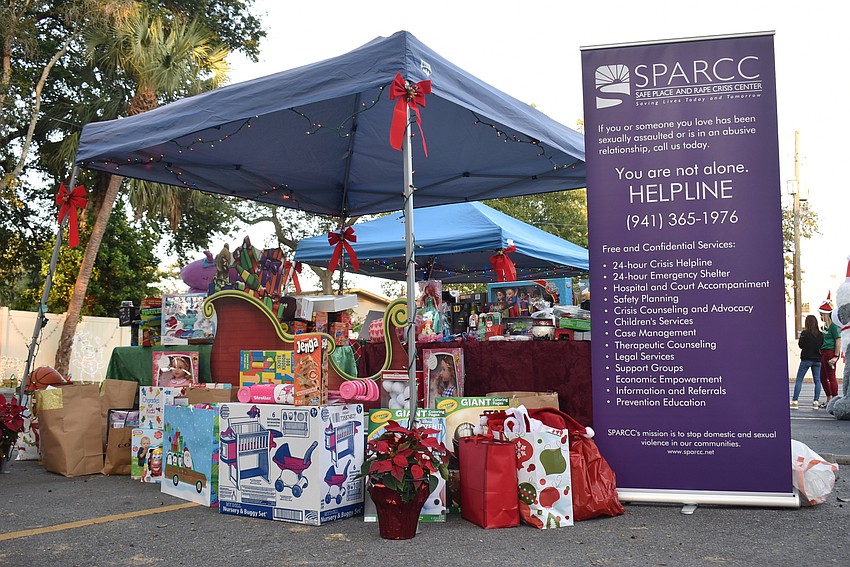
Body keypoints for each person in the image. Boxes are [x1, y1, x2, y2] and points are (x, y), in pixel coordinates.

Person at [791, 315, 823, 408]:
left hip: (806, 359)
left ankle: (795, 400)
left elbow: (801, 345)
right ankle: (816, 401)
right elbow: (821, 345)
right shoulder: (821, 334)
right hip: (817, 359)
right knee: (817, 380)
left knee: (799, 379)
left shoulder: (805, 333)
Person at [818, 296, 842, 406]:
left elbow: (838, 341)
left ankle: (835, 399)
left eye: (821, 315)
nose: (820, 317)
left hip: (830, 352)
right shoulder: (825, 327)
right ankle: (829, 397)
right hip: (823, 352)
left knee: (831, 376)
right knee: (822, 376)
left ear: (826, 315)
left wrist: (836, 356)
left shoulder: (833, 326)